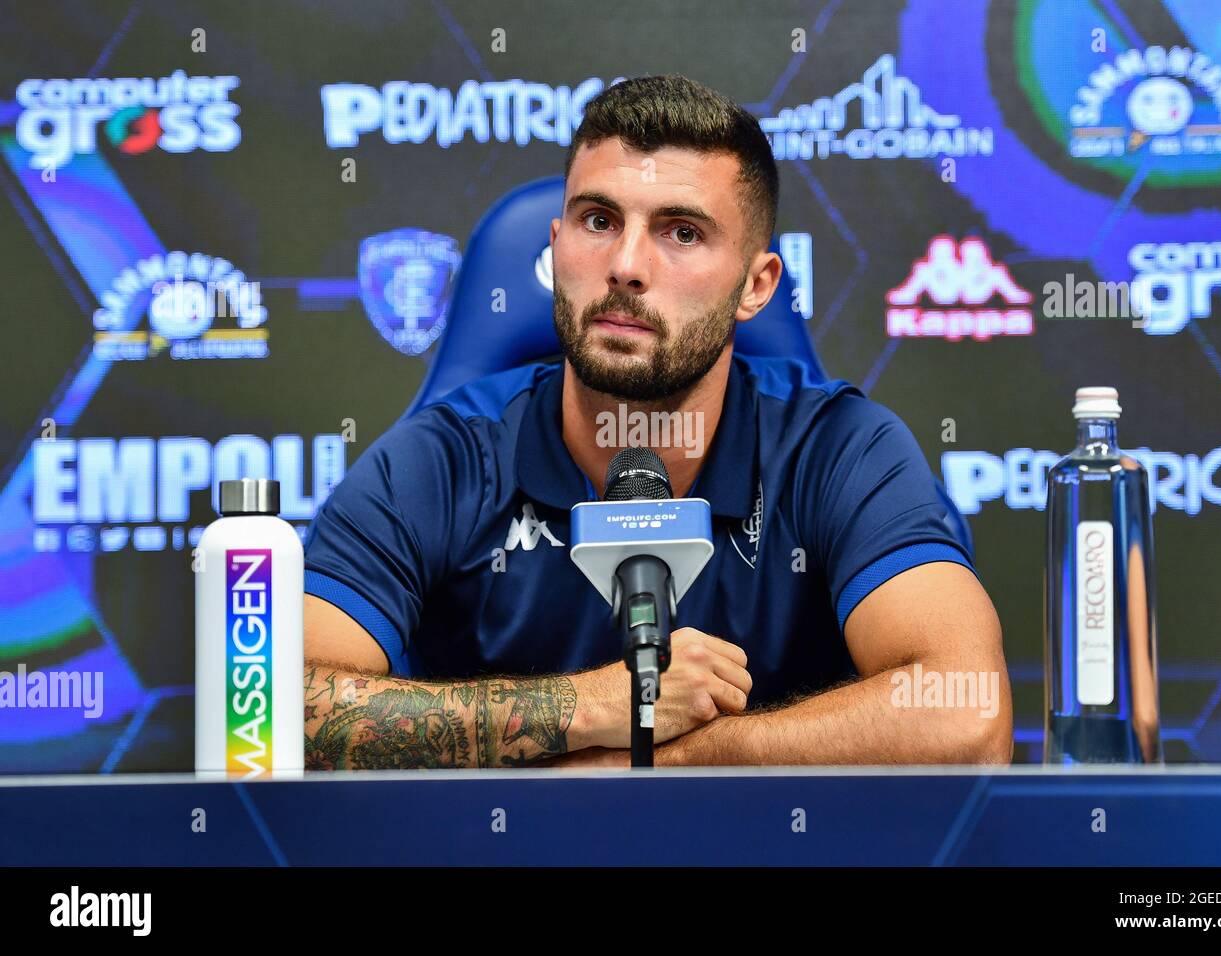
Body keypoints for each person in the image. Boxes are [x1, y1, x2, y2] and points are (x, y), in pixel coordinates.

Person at [302, 74, 1011, 769]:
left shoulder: (838, 448)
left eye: (681, 232)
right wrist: (582, 710)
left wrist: (648, 763)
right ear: (557, 245)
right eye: (598, 221)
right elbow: (269, 707)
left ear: (756, 286)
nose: (626, 265)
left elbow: (966, 712)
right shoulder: (443, 460)